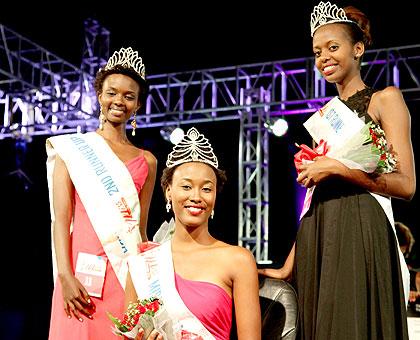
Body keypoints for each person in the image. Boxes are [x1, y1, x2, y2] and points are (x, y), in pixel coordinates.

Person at [259, 2, 416, 339]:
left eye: (333, 47)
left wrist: (337, 168)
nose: (323, 58)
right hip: (319, 231)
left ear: (358, 49)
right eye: (317, 52)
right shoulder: (325, 115)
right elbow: (311, 199)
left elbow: (407, 185)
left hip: (360, 226)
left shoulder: (385, 99)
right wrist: (289, 265)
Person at [46, 47, 157, 339]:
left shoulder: (147, 161)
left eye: (128, 96)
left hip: (124, 279)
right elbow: (60, 219)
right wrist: (65, 276)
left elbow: (141, 231)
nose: (118, 101)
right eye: (112, 92)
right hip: (78, 280)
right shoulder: (73, 150)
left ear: (137, 105)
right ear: (99, 96)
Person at [124, 127, 261, 340]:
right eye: (186, 187)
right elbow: (129, 334)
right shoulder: (144, 264)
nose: (196, 196)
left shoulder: (238, 260)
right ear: (169, 191)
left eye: (206, 189)